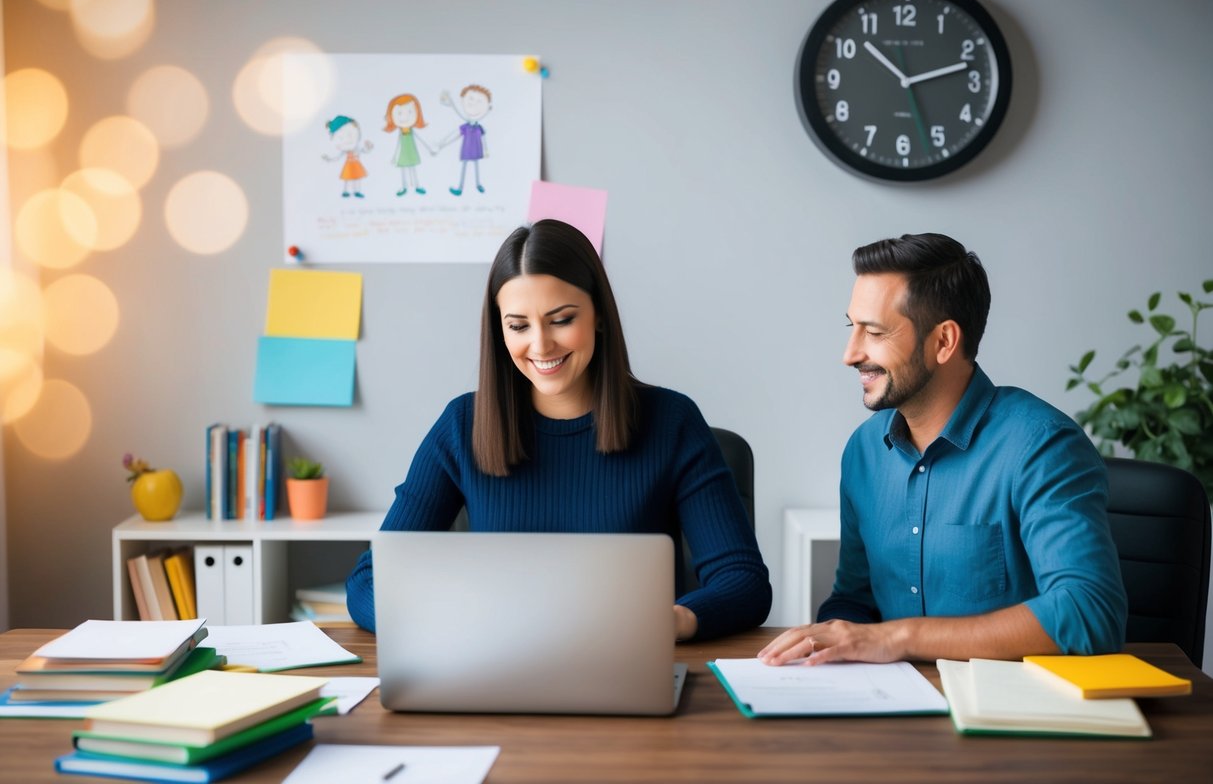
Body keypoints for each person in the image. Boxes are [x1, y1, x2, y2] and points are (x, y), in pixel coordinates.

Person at [347, 219, 772, 640]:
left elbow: (743, 582)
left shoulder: (672, 422)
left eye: (561, 319)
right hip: (493, 669)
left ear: (599, 316)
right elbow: (370, 580)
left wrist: (674, 621)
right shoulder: (463, 426)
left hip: (625, 667)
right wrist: (441, 623)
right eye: (518, 325)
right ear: (500, 331)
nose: (541, 345)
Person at [759, 233, 1126, 666]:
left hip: (1012, 717)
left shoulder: (1042, 445)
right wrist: (829, 642)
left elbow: (1090, 610)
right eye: (851, 327)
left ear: (944, 342)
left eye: (874, 332)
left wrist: (900, 638)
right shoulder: (863, 451)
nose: (850, 353)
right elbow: (854, 601)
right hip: (891, 708)